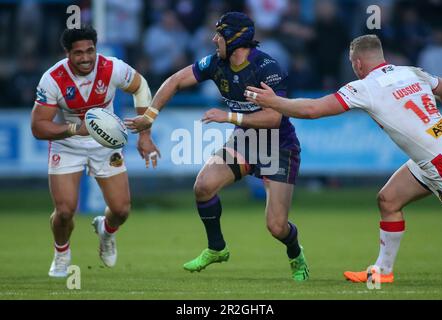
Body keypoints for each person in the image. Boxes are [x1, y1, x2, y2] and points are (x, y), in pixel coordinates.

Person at [244, 34, 442, 283]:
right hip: (432, 155)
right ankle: (382, 272)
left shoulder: (364, 87)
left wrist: (275, 102)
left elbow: (312, 110)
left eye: (353, 64)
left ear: (358, 64)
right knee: (389, 200)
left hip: (441, 163)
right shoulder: (413, 72)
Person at [125, 12, 309, 282]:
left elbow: (274, 117)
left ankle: (296, 253)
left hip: (278, 145)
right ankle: (217, 248)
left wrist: (229, 116)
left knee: (277, 226)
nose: (213, 39)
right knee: (203, 186)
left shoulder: (266, 68)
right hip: (246, 139)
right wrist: (149, 116)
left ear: (235, 38)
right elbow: (175, 81)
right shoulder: (215, 63)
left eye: (219, 34)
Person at [31, 26, 159, 277]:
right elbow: (38, 126)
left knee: (121, 210)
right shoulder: (53, 79)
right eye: (78, 53)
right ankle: (61, 253)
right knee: (66, 210)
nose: (86, 58)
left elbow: (141, 86)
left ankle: (106, 231)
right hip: (68, 144)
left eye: (90, 50)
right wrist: (72, 130)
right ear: (67, 54)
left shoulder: (111, 67)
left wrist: (145, 135)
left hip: (105, 144)